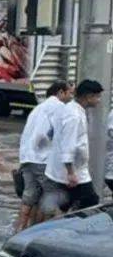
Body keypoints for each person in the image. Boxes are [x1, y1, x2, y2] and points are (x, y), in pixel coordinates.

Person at [43, 78, 105, 215]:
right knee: (91, 201)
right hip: (72, 172)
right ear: (89, 97)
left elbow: (52, 133)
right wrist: (70, 172)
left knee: (65, 205)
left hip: (69, 170)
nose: (99, 100)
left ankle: (63, 223)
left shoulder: (71, 109)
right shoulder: (74, 116)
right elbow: (68, 144)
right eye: (98, 96)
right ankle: (70, 226)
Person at [14, 80, 70, 230]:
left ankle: (18, 232)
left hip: (27, 159)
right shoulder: (60, 108)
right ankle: (47, 236)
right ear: (60, 93)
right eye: (69, 93)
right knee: (51, 200)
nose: (70, 96)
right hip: (43, 160)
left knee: (28, 199)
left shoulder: (37, 109)